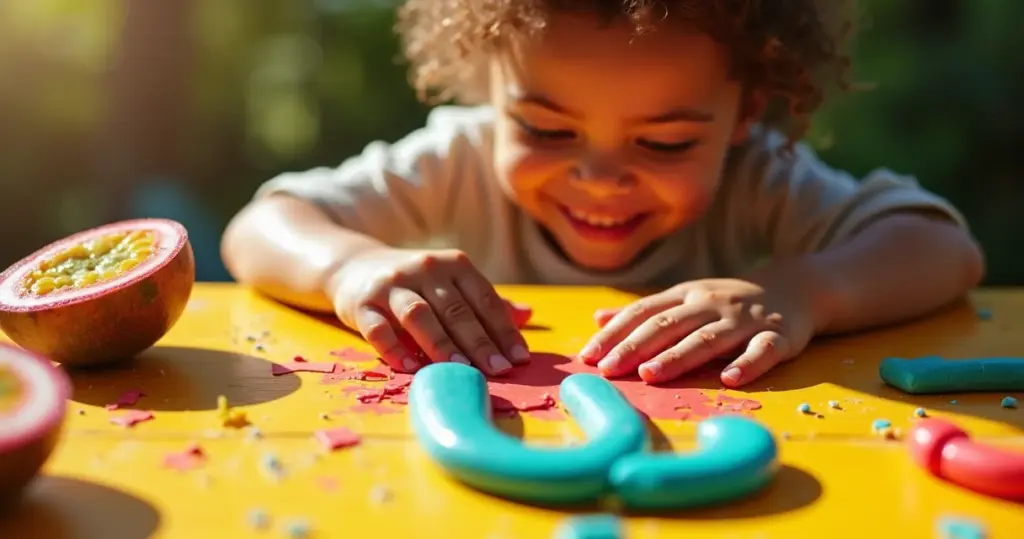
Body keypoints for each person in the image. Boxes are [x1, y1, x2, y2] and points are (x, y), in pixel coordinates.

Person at [221, 1, 984, 388]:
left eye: (665, 142)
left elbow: (941, 246)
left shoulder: (760, 176)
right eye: (546, 129)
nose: (599, 178)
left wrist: (801, 290)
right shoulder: (458, 153)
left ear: (744, 113)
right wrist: (348, 267)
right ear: (490, 89)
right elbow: (264, 224)